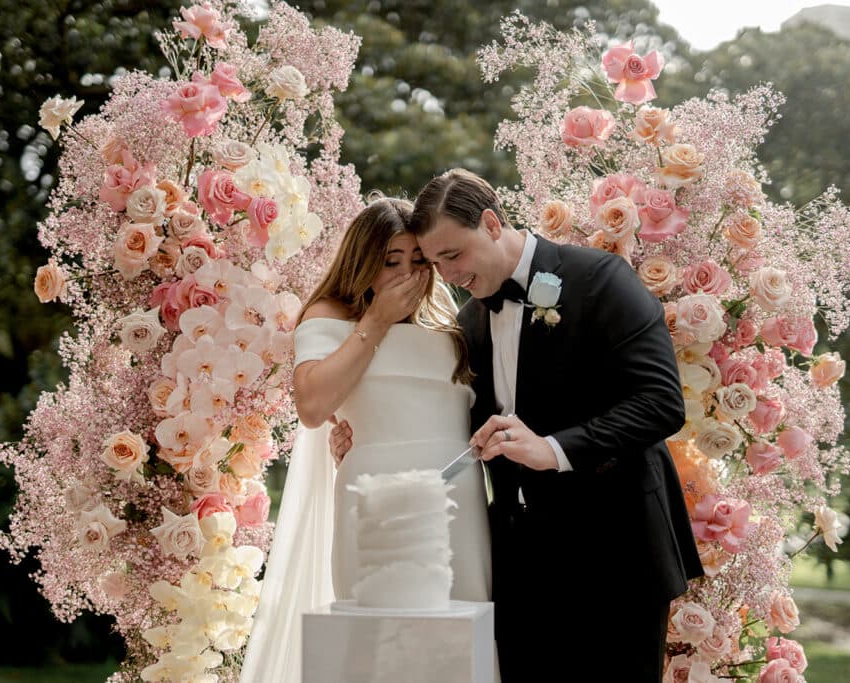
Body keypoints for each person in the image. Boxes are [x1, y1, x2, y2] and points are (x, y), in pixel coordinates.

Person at [332, 169, 704, 682]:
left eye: (453, 255)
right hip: (522, 567)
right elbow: (447, 420)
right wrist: (362, 431)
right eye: (436, 263)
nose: (447, 274)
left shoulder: (600, 279)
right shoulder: (467, 325)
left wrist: (553, 448)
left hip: (618, 556)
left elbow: (661, 403)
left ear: (490, 222)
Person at [239, 196, 492, 683]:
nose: (406, 275)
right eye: (390, 261)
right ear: (362, 262)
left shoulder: (447, 321)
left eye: (419, 261)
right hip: (375, 498)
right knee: (378, 643)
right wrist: (374, 322)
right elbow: (313, 407)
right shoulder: (327, 316)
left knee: (462, 638)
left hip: (456, 498)